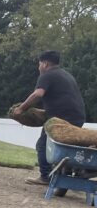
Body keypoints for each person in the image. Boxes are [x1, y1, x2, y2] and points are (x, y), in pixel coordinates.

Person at [14, 50, 87, 185]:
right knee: (65, 147)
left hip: (60, 120)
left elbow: (38, 94)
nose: (39, 67)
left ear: (45, 64)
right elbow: (65, 100)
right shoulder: (67, 75)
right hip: (78, 117)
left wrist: (21, 108)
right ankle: (70, 171)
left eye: (39, 64)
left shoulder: (47, 76)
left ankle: (45, 177)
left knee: (42, 145)